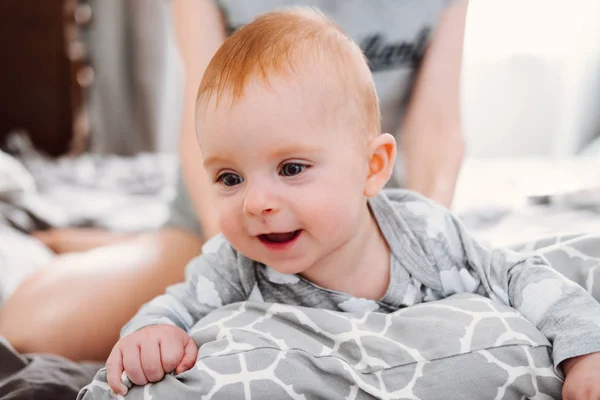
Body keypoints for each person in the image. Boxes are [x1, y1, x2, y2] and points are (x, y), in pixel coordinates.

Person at [103, 9, 600, 399]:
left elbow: (519, 276)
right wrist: (152, 331)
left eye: (291, 169)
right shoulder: (233, 264)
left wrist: (584, 353)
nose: (256, 202)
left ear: (373, 167)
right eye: (230, 177)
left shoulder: (423, 234)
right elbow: (174, 307)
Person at [0, 0, 466, 362]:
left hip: (358, 215)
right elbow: (201, 125)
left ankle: (121, 242)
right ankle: (139, 245)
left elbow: (437, 128)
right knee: (26, 329)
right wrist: (246, 259)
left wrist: (408, 247)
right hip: (226, 222)